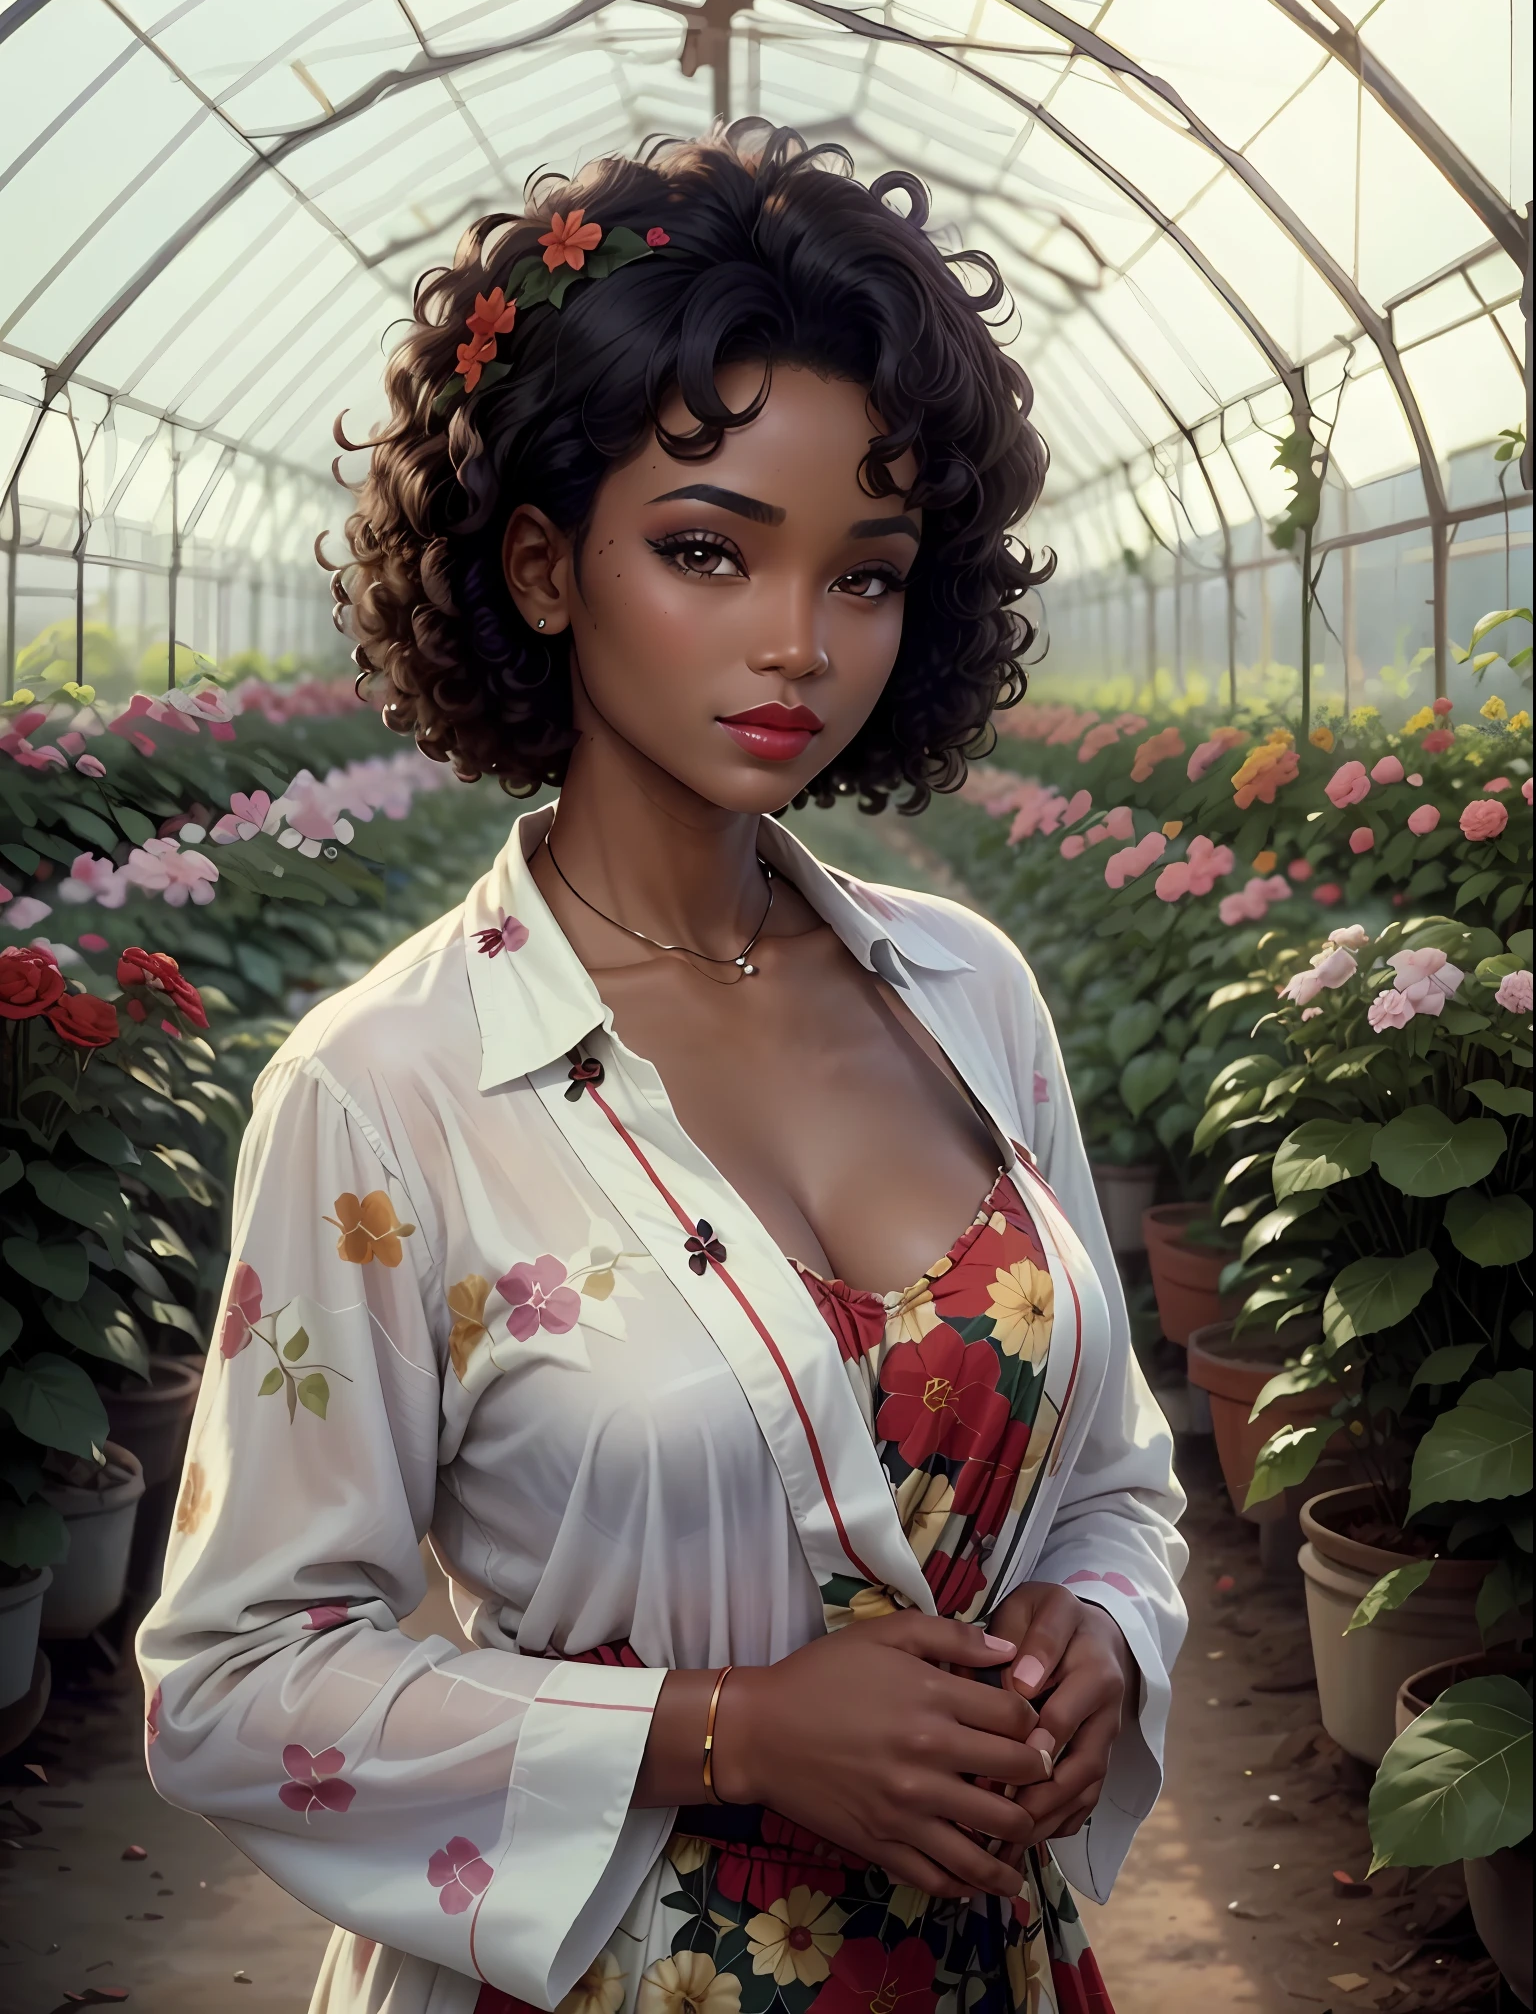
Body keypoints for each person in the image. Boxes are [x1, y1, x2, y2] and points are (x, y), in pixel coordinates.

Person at [140, 124, 1186, 2014]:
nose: (797, 643)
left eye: (865, 576)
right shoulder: (390, 1087)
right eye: (709, 551)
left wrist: (1099, 1630)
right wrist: (738, 1732)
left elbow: (1113, 1476)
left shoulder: (969, 994)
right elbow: (229, 1687)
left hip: (991, 1966)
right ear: (542, 566)